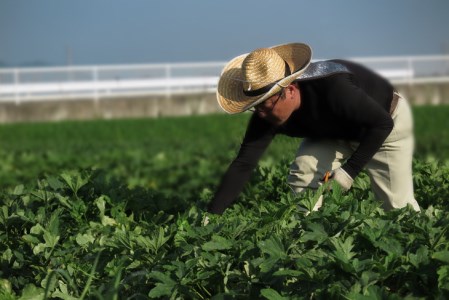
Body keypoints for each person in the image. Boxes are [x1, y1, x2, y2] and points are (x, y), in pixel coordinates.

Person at [206, 42, 420, 215]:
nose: (261, 113)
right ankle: (309, 235)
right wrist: (212, 215)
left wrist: (348, 172)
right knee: (304, 171)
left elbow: (382, 124)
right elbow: (244, 163)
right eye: (255, 107)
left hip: (383, 125)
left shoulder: (334, 89)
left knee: (398, 209)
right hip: (331, 132)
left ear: (289, 90)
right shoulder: (266, 114)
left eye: (265, 104)